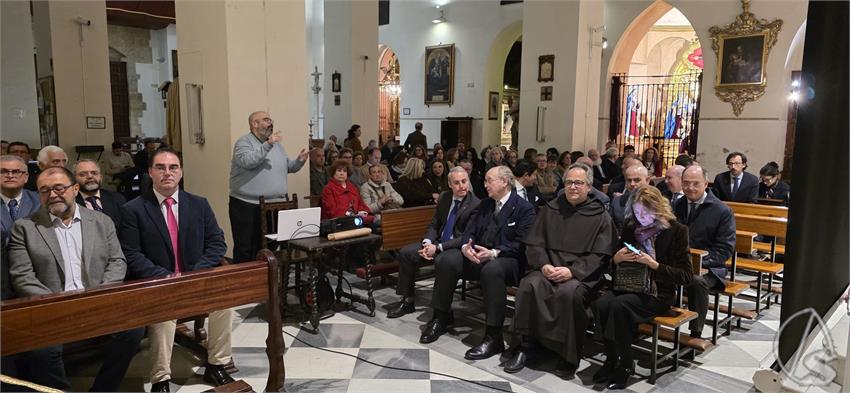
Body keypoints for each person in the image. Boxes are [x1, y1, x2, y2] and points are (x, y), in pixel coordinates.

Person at [9, 167, 143, 392]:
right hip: (51, 307)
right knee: (43, 350)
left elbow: (117, 262)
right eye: (45, 190)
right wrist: (58, 304)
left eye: (59, 188)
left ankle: (103, 389)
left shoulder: (101, 221)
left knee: (133, 330)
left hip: (97, 300)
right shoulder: (25, 228)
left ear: (75, 189)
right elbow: (22, 276)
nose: (52, 195)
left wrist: (98, 296)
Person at [119, 148, 233, 392]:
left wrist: (195, 273)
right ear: (150, 172)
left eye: (173, 167)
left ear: (180, 172)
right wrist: (165, 277)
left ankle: (217, 365)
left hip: (195, 279)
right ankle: (161, 378)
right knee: (163, 314)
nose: (167, 173)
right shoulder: (133, 209)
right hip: (159, 284)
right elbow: (131, 254)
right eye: (160, 167)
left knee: (225, 303)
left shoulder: (199, 204)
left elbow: (217, 243)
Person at [506, 163, 616, 377]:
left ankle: (567, 355)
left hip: (580, 275)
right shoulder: (551, 208)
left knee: (569, 293)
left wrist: (572, 272)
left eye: (578, 183)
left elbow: (600, 255)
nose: (573, 187)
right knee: (529, 285)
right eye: (569, 182)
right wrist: (544, 265)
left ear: (589, 186)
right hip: (548, 267)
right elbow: (534, 243)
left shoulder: (600, 215)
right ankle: (525, 346)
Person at [419, 166, 536, 363]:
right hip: (477, 255)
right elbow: (469, 232)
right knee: (447, 260)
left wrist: (493, 253)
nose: (484, 184)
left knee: (492, 270)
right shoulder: (485, 205)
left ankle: (493, 336)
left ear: (504, 182)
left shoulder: (524, 208)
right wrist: (466, 246)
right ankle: (440, 317)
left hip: (507, 260)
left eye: (489, 180)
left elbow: (521, 243)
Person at [594, 185, 693, 389]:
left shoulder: (676, 231)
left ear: (658, 208)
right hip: (629, 285)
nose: (641, 217)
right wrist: (616, 258)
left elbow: (686, 276)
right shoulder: (631, 227)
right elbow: (612, 260)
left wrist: (653, 264)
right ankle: (612, 358)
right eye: (637, 212)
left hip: (658, 292)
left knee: (619, 306)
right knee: (603, 303)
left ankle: (625, 364)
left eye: (646, 212)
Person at [387, 167, 480, 318]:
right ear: (450, 184)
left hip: (455, 247)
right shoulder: (445, 197)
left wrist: (437, 248)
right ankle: (407, 300)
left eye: (464, 181)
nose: (462, 186)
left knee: (444, 261)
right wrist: (427, 242)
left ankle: (441, 313)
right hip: (436, 242)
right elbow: (434, 224)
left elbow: (466, 237)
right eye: (457, 183)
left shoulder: (475, 204)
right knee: (406, 253)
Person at [229, 111, 308, 262]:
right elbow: (248, 161)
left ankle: (267, 280)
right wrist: (268, 145)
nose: (270, 123)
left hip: (275, 206)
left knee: (270, 247)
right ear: (254, 124)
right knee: (246, 247)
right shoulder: (244, 142)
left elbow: (288, 167)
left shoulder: (277, 146)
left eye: (271, 120)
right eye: (266, 120)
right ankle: (246, 282)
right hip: (247, 205)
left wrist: (299, 161)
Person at [675, 164, 735, 339]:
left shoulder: (722, 211)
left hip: (711, 268)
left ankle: (696, 332)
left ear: (706, 183)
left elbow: (725, 249)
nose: (690, 188)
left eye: (695, 184)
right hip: (681, 263)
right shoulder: (677, 205)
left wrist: (700, 262)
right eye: (686, 183)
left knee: (696, 281)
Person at [1, 155, 40, 300]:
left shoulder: (41, 201)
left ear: (26, 177)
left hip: (36, 275)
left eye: (16, 171)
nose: (10, 175)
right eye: (3, 171)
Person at [73, 159, 127, 228]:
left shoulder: (117, 198)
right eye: (83, 174)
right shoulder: (71, 203)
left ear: (101, 178)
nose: (90, 176)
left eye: (94, 173)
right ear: (74, 180)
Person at [320, 159, 374, 225]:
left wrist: (362, 212)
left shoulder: (352, 187)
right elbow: (331, 211)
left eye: (344, 171)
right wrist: (350, 214)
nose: (342, 173)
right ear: (333, 172)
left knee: (375, 220)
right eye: (339, 171)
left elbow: (360, 204)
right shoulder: (328, 189)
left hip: (356, 218)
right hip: (338, 221)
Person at [610, 164, 650, 231]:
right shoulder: (617, 201)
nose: (632, 184)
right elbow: (610, 227)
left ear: (647, 180)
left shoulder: (657, 202)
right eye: (629, 180)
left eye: (637, 180)